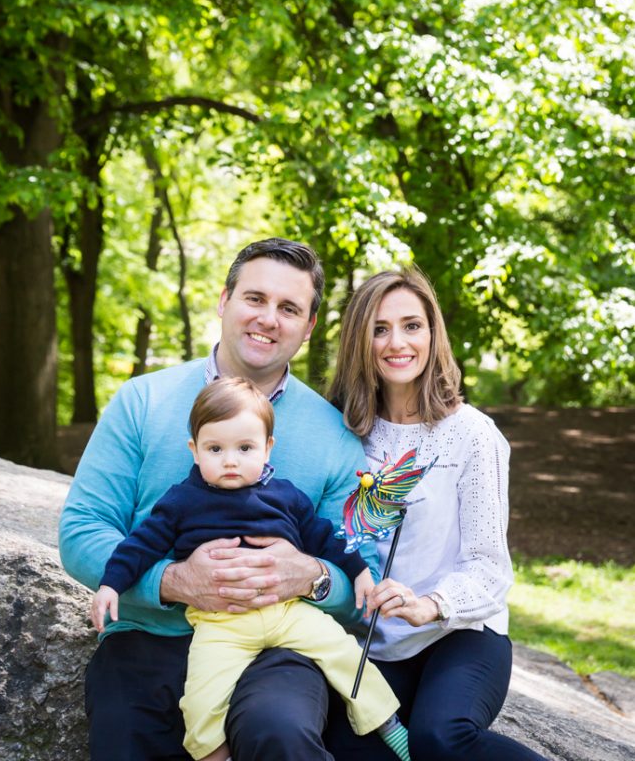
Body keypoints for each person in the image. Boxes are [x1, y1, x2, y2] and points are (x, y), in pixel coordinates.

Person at [59, 237, 377, 761]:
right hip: (149, 635)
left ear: (309, 326)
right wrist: (175, 581)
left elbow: (359, 570)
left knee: (281, 733)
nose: (269, 319)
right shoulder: (142, 401)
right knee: (125, 731)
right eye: (255, 298)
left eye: (289, 308)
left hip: (278, 645)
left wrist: (312, 577)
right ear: (224, 301)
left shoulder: (335, 435)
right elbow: (82, 530)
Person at [90, 376, 411, 761]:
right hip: (220, 623)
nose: (230, 460)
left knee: (345, 654)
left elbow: (327, 538)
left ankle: (387, 724)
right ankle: (214, 754)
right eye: (215, 449)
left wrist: (358, 572)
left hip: (288, 613)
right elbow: (140, 545)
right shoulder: (182, 501)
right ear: (194, 451)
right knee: (201, 698)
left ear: (267, 448)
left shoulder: (285, 495)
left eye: (244, 448)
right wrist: (111, 584)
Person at [323, 267, 550, 761]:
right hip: (377, 643)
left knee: (438, 737)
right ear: (359, 341)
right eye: (379, 329)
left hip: (460, 633)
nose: (396, 342)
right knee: (343, 748)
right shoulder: (340, 431)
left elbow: (490, 568)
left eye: (412, 325)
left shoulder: (472, 434)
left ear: (433, 334)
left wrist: (432, 604)